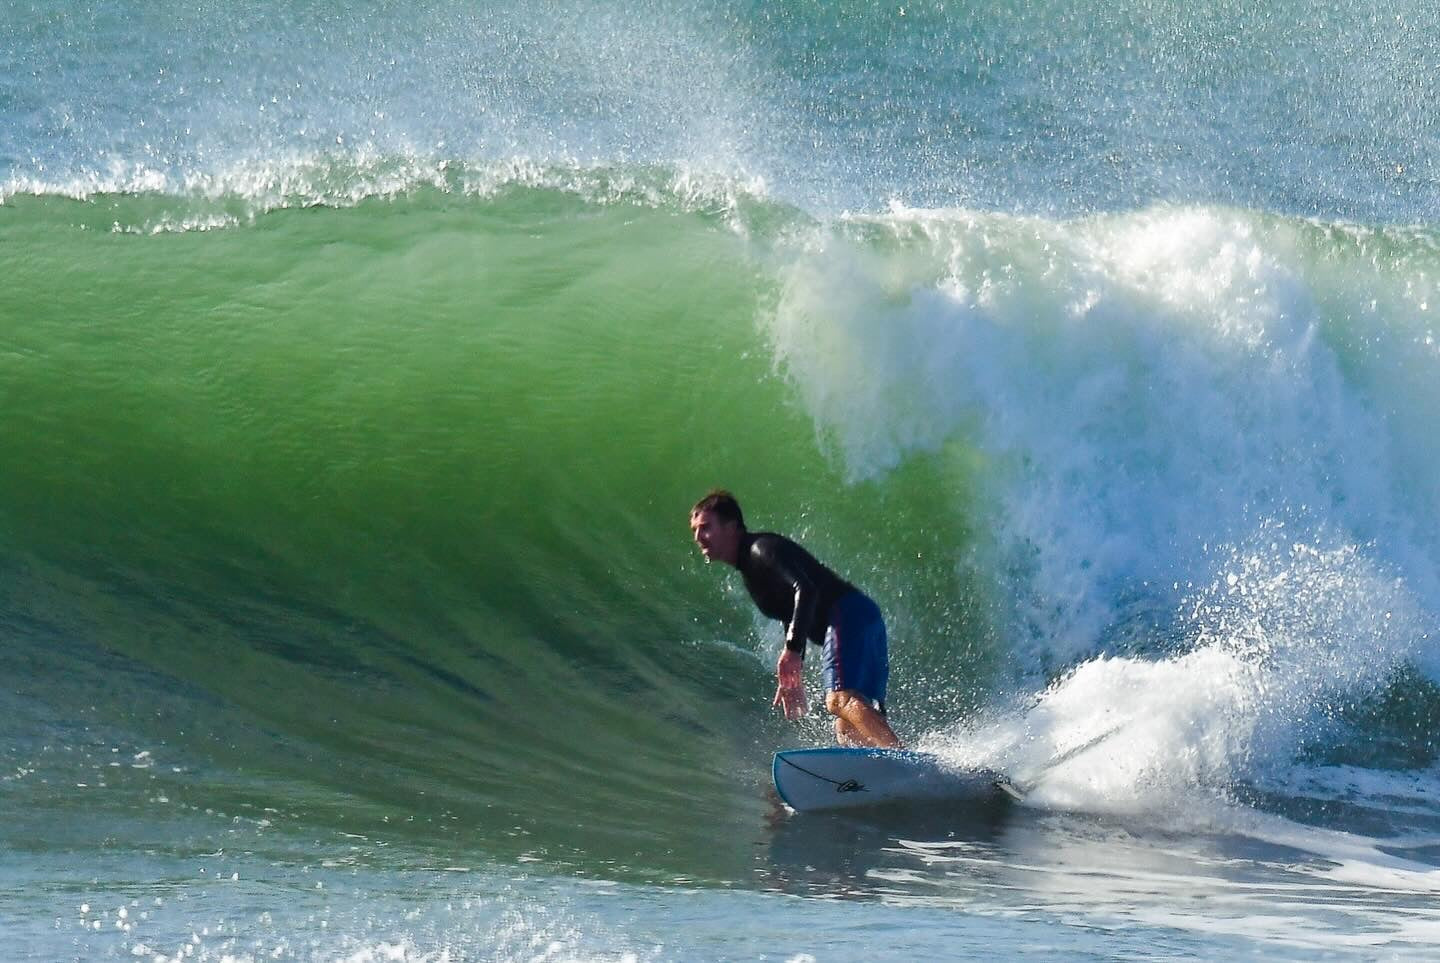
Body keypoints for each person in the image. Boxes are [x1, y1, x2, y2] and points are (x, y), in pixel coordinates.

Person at [689, 489, 902, 748]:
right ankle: (886, 776)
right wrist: (794, 668)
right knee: (847, 727)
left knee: (838, 700)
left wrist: (792, 649)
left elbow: (806, 589)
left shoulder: (761, 550)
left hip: (847, 614)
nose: (699, 537)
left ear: (732, 526)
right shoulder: (750, 568)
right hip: (861, 614)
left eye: (706, 528)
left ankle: (903, 759)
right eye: (695, 531)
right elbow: (788, 611)